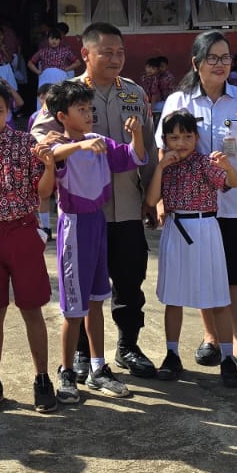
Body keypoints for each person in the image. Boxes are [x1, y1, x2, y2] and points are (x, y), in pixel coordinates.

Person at [30, 22, 159, 380]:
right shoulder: (67, 94)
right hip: (83, 209)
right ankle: (82, 354)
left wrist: (153, 198)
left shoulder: (133, 92)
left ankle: (128, 346)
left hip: (128, 203)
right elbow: (40, 136)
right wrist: (58, 144)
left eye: (120, 52)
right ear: (86, 54)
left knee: (129, 279)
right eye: (107, 52)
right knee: (84, 286)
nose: (115, 59)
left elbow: (147, 145)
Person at [158, 31, 237, 376]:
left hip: (235, 202)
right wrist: (162, 200)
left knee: (236, 276)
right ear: (196, 63)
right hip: (194, 208)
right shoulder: (179, 101)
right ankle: (210, 337)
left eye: (225, 57)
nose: (220, 64)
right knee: (204, 273)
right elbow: (164, 151)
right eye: (213, 58)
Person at [42, 78, 145, 401]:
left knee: (97, 300)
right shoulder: (59, 144)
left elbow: (133, 157)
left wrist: (137, 134)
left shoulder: (98, 141)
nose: (89, 115)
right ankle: (66, 373)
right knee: (74, 309)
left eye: (90, 109)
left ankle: (98, 368)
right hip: (74, 227)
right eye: (82, 110)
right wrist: (80, 145)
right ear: (62, 116)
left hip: (98, 222)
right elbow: (55, 154)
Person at [0, 79, 58, 415]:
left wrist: (49, 165)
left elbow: (43, 192)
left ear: (9, 110)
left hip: (23, 231)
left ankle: (42, 378)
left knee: (32, 309)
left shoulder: (26, 143)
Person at [147, 110, 237, 385]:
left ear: (196, 138)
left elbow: (233, 182)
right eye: (174, 137)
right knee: (173, 297)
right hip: (175, 230)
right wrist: (160, 167)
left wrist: (227, 166)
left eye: (187, 136)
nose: (181, 143)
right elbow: (152, 200)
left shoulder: (205, 162)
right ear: (165, 139)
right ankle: (172, 354)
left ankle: (227, 359)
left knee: (217, 297)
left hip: (205, 229)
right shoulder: (165, 166)